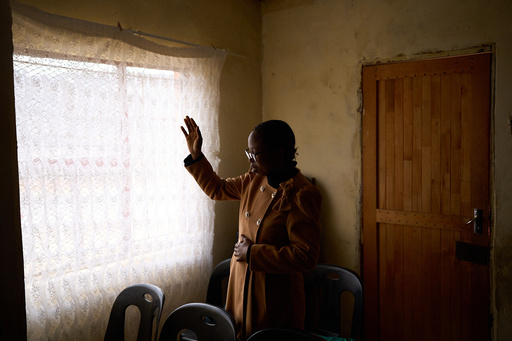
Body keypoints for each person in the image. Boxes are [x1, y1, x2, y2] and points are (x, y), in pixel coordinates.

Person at [181, 116, 322, 340]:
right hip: (241, 287)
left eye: (254, 154)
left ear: (279, 152)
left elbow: (305, 257)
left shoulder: (303, 194)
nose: (250, 161)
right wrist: (197, 155)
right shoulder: (252, 181)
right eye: (248, 153)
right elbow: (217, 189)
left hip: (276, 298)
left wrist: (252, 252)